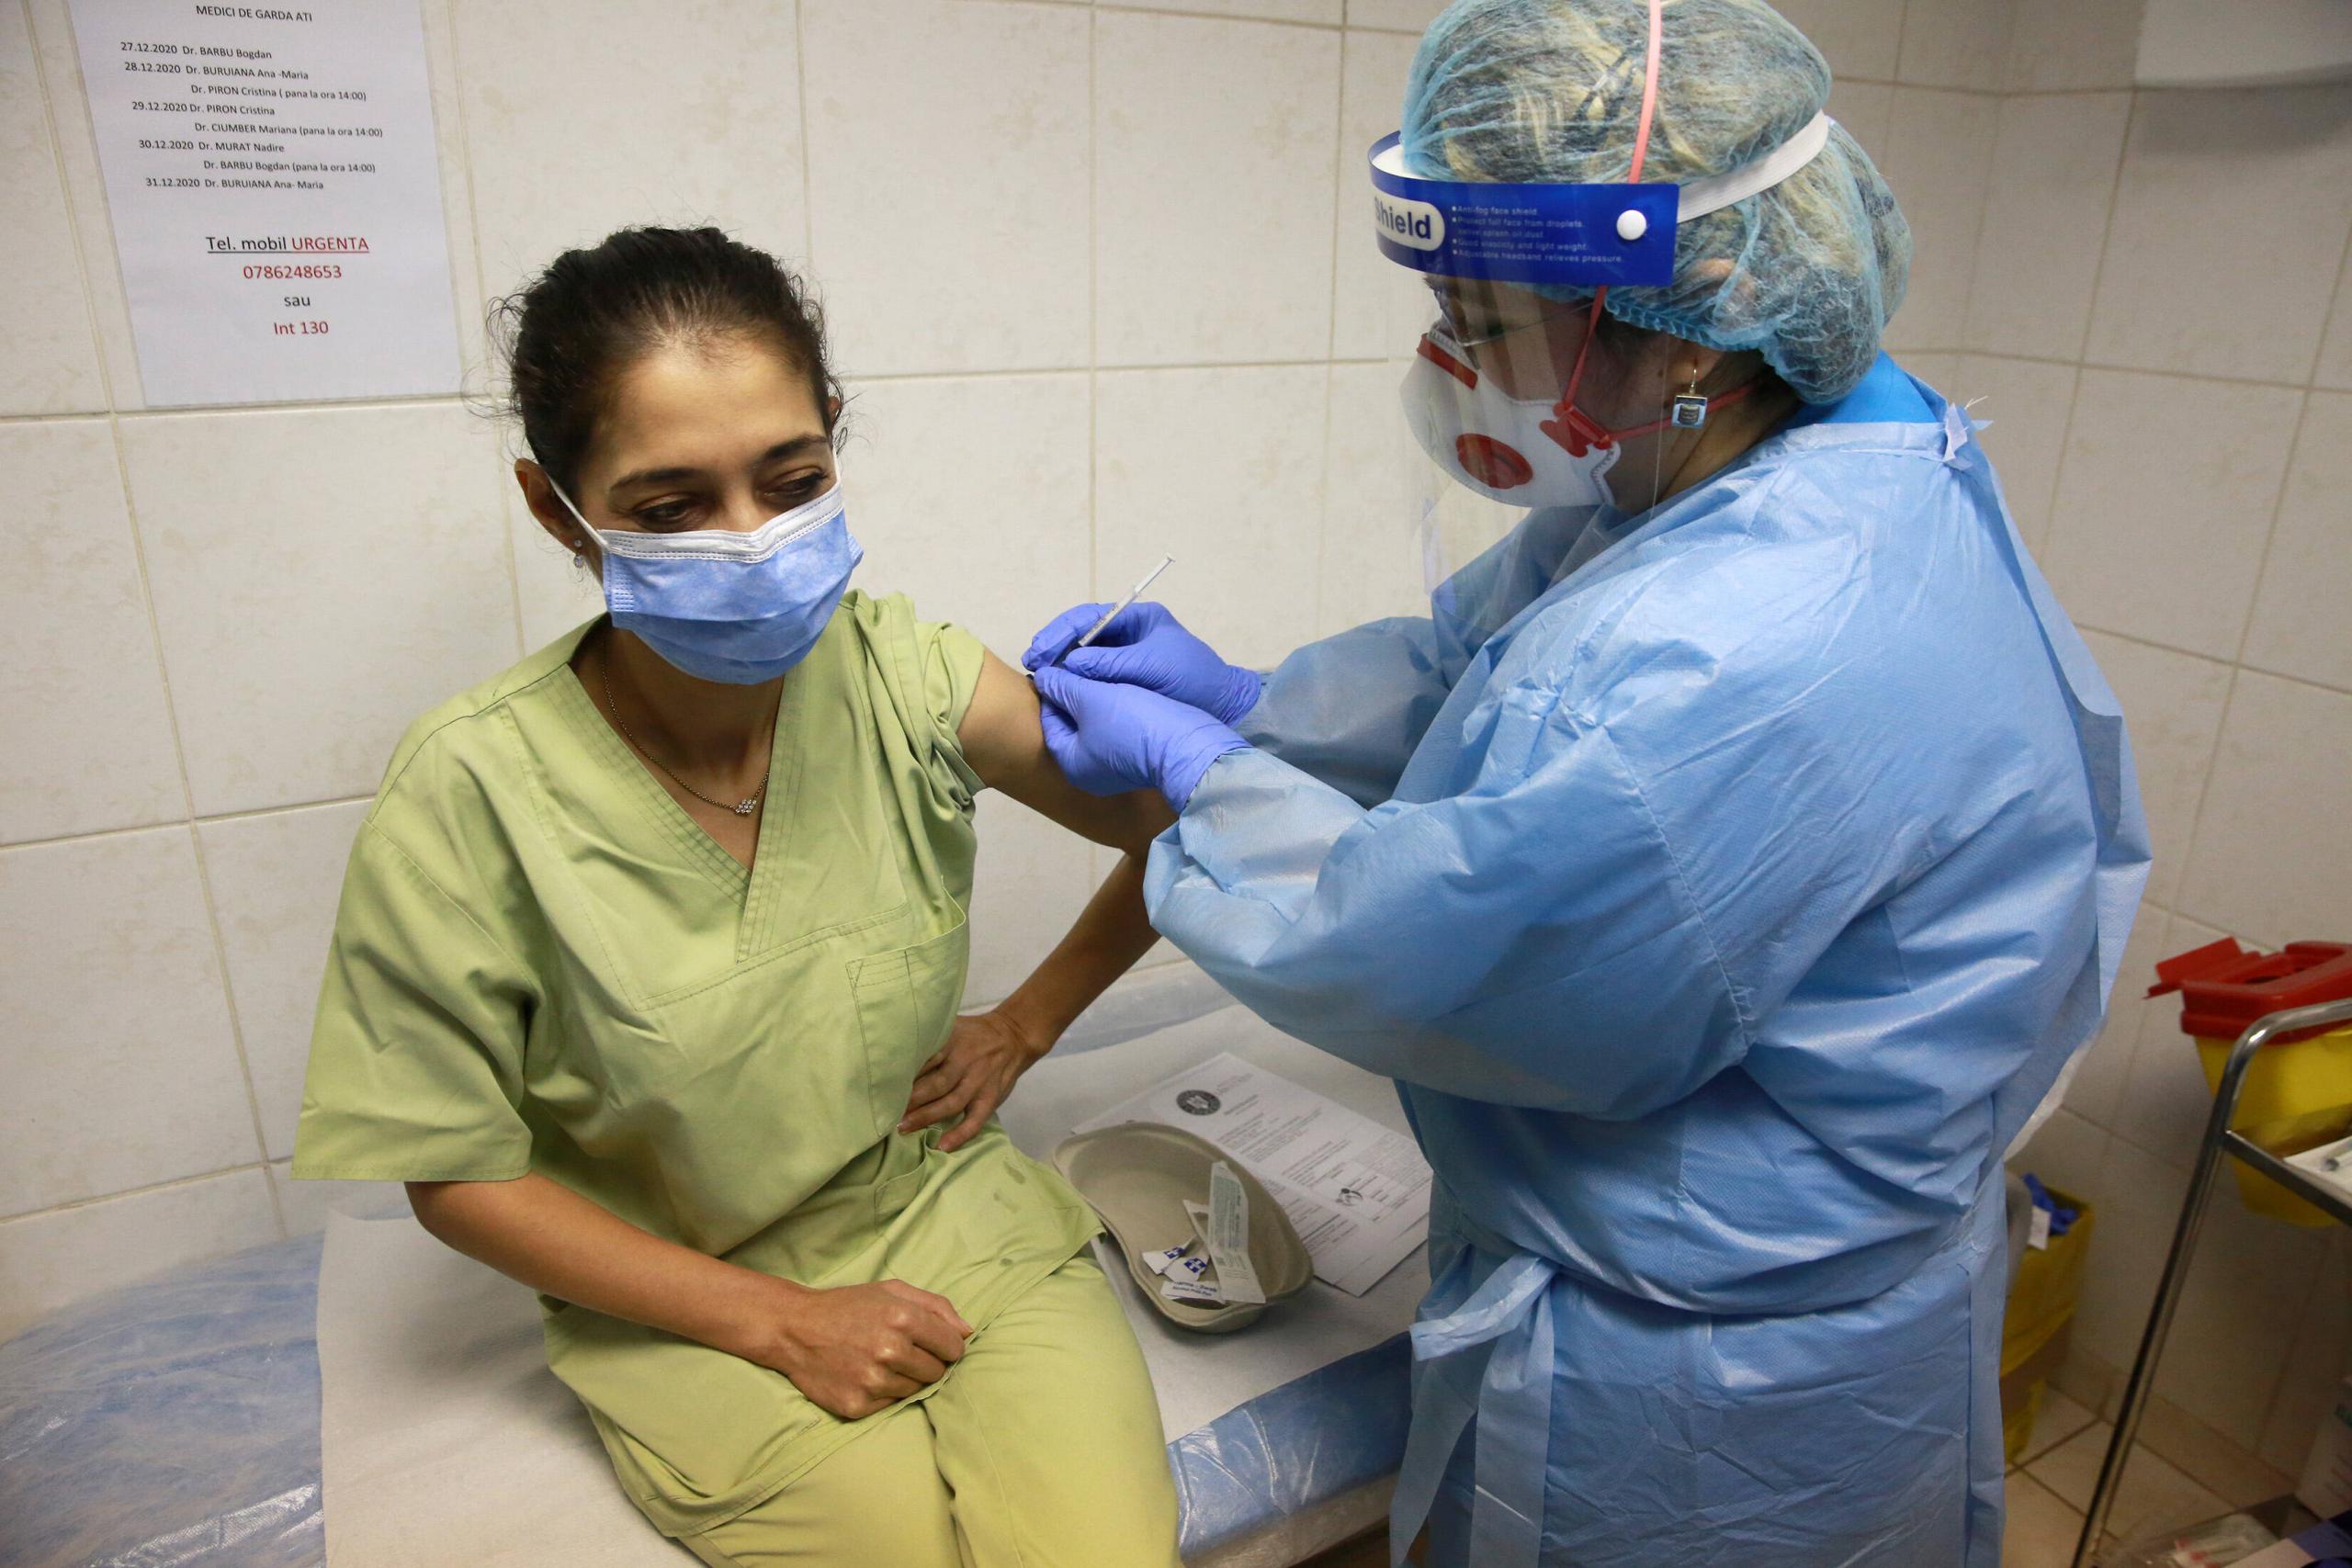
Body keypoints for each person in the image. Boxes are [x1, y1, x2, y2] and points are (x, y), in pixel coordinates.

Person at [1022, 2, 2150, 1563]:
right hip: (1741, 1280)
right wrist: (1251, 700)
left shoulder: (1759, 640)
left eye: (1480, 320)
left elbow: (1433, 948)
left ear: (1679, 323)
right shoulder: (1765, 458)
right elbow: (1488, 674)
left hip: (1712, 1395)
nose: (1444, 359)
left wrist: (1204, 778)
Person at [291, 226, 1183, 1568]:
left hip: (945, 1209)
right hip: (684, 1293)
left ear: (833, 441)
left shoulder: (906, 677)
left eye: (790, 478)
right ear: (557, 510)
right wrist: (776, 1322)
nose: (754, 543)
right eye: (671, 508)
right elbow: (456, 1174)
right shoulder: (469, 790)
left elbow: (1185, 829)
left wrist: (1034, 1017)